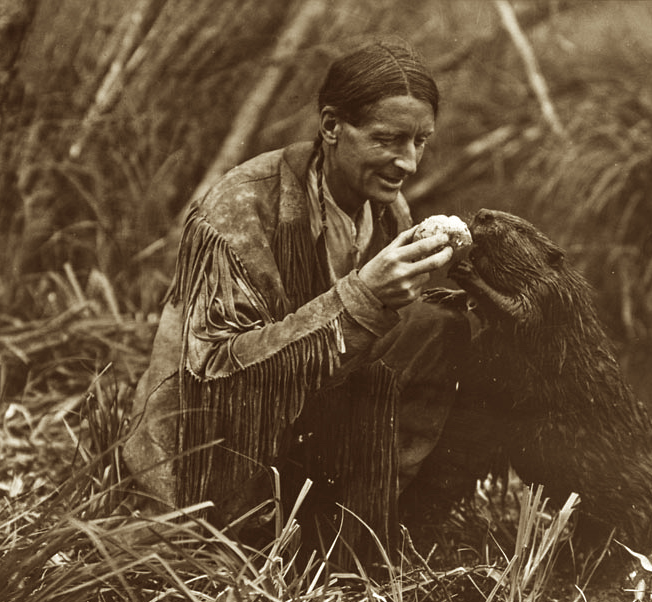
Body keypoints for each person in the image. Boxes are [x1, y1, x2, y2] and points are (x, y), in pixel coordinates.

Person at [121, 42, 472, 557]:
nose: (410, 163)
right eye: (389, 139)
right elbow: (216, 373)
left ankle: (359, 521)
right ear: (331, 127)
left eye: (421, 141)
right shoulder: (241, 208)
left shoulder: (389, 208)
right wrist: (363, 297)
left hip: (303, 417)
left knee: (440, 325)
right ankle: (262, 529)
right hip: (211, 447)